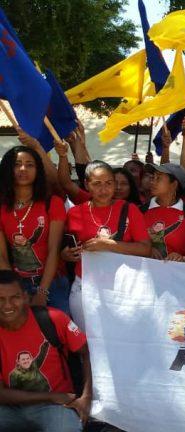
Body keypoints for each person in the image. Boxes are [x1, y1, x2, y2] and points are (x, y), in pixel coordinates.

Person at [0, 269, 92, 432]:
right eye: (0, 299)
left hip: (55, 407)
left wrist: (86, 397)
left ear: (26, 298)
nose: (7, 305)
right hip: (11, 408)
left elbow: (86, 352)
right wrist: (51, 396)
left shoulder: (53, 318)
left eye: (15, 297)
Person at [62, 161, 151, 328]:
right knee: (88, 342)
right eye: (97, 184)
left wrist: (109, 244)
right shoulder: (74, 212)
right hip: (85, 286)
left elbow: (145, 249)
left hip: (123, 288)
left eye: (109, 183)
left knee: (120, 339)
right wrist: (66, 254)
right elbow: (65, 248)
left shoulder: (130, 209)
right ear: (87, 185)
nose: (103, 190)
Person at [0, 146, 69, 313]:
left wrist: (42, 292)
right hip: (17, 284)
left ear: (38, 170)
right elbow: (1, 256)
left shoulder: (52, 203)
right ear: (8, 169)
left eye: (30, 164)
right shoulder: (1, 207)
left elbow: (54, 250)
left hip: (53, 282)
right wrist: (15, 290)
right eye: (17, 164)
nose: (23, 169)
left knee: (58, 332)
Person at [142, 163, 185, 262]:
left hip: (178, 274)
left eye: (158, 178)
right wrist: (145, 250)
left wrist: (183, 259)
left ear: (174, 185)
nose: (152, 182)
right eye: (152, 177)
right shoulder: (140, 211)